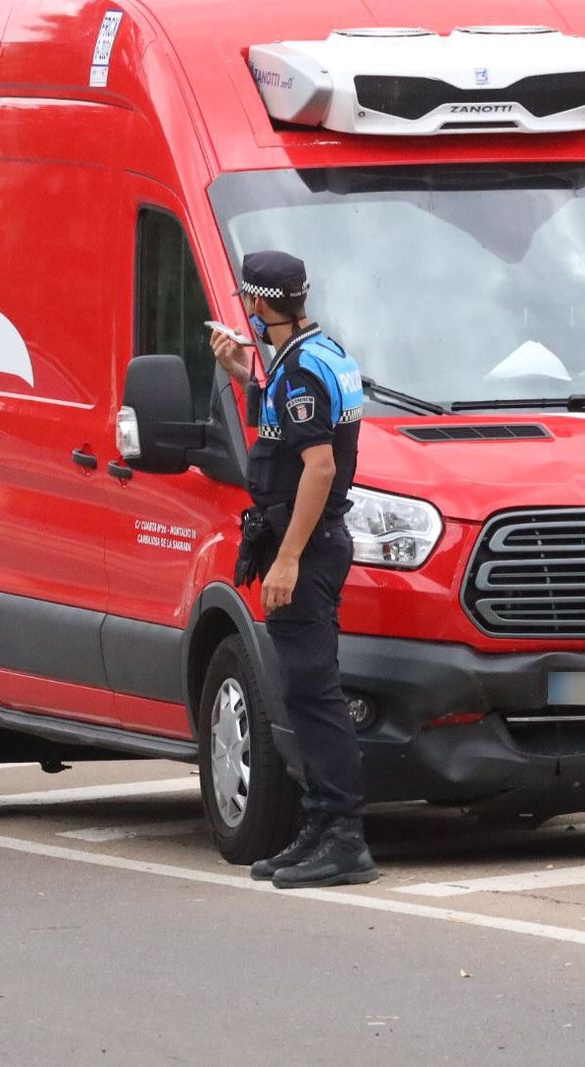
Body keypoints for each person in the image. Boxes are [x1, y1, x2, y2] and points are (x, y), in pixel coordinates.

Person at [210, 250, 380, 890]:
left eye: (248, 301)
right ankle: (319, 824)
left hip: (306, 547)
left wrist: (286, 558)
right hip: (311, 540)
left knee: (314, 692)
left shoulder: (302, 369)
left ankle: (343, 835)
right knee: (307, 690)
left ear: (258, 303)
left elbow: (319, 466)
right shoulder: (314, 353)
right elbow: (284, 427)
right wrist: (244, 375)